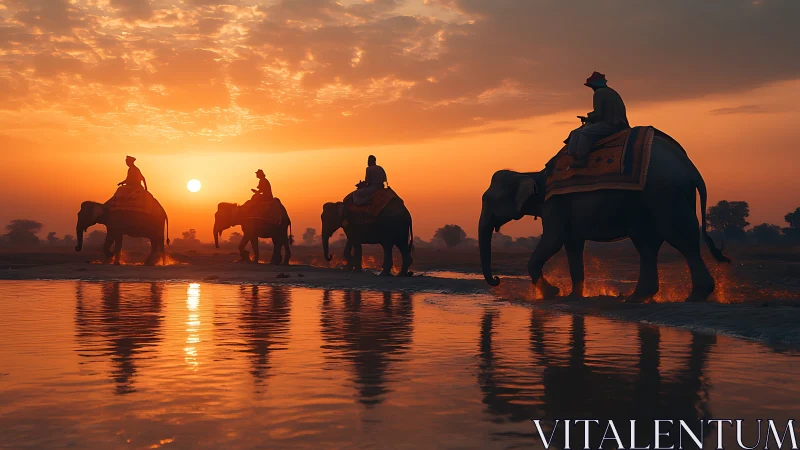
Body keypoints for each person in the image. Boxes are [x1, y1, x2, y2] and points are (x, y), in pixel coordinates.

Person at [566, 72, 630, 168]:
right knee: (577, 132)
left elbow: (599, 114)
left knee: (586, 132)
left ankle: (581, 159)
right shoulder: (612, 92)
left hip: (612, 124)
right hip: (618, 122)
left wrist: (588, 118)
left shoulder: (599, 93)